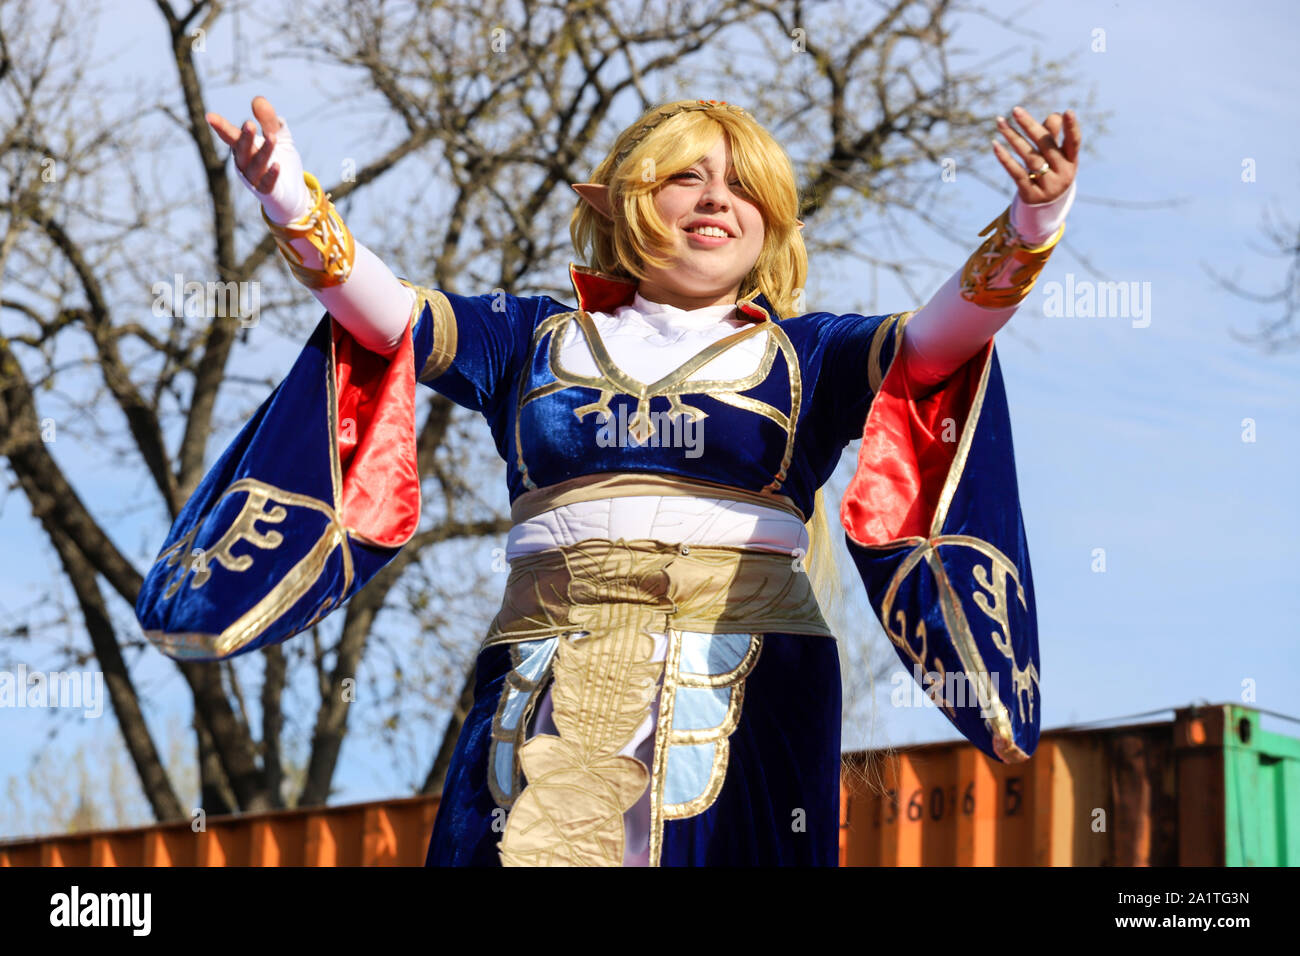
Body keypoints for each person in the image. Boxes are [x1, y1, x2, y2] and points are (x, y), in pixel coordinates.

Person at [136, 95, 1079, 866]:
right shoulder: (531, 340)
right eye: (686, 176)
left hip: (749, 670)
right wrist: (293, 206)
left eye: (744, 185)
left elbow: (940, 342)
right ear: (629, 202)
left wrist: (1034, 224)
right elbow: (387, 318)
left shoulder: (811, 355)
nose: (718, 197)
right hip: (543, 663)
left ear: (772, 226)